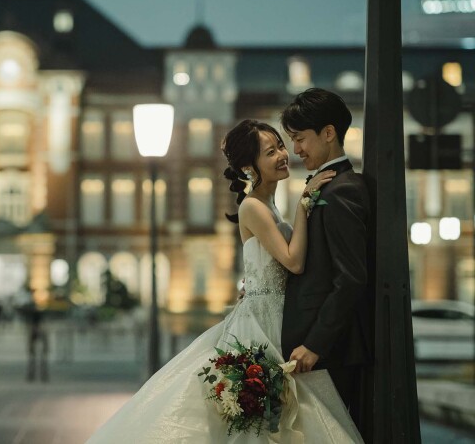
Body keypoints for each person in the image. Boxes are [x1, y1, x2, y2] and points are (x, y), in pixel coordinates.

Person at [87, 118, 362, 443]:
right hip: (262, 327)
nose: (282, 155)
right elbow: (294, 261)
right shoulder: (253, 207)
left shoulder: (269, 206)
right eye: (270, 151)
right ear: (249, 166)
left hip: (275, 318)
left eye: (280, 147)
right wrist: (305, 204)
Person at [280, 88, 370, 433]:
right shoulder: (327, 187)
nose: (296, 149)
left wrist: (315, 345)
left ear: (328, 133)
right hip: (318, 351)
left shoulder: (342, 190)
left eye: (299, 138)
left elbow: (350, 277)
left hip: (330, 352)